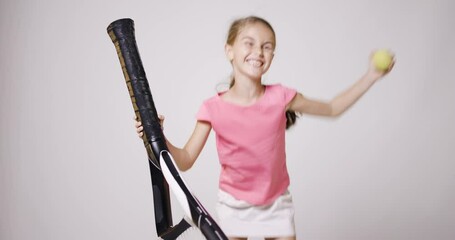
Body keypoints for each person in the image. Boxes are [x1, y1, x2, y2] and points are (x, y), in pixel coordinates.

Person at [135, 16, 394, 240]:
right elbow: (185, 160)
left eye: (267, 46)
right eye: (249, 43)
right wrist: (157, 135)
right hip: (233, 205)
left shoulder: (282, 97)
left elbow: (333, 108)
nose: (259, 51)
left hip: (276, 204)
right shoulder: (212, 108)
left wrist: (371, 75)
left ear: (272, 55)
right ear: (230, 50)